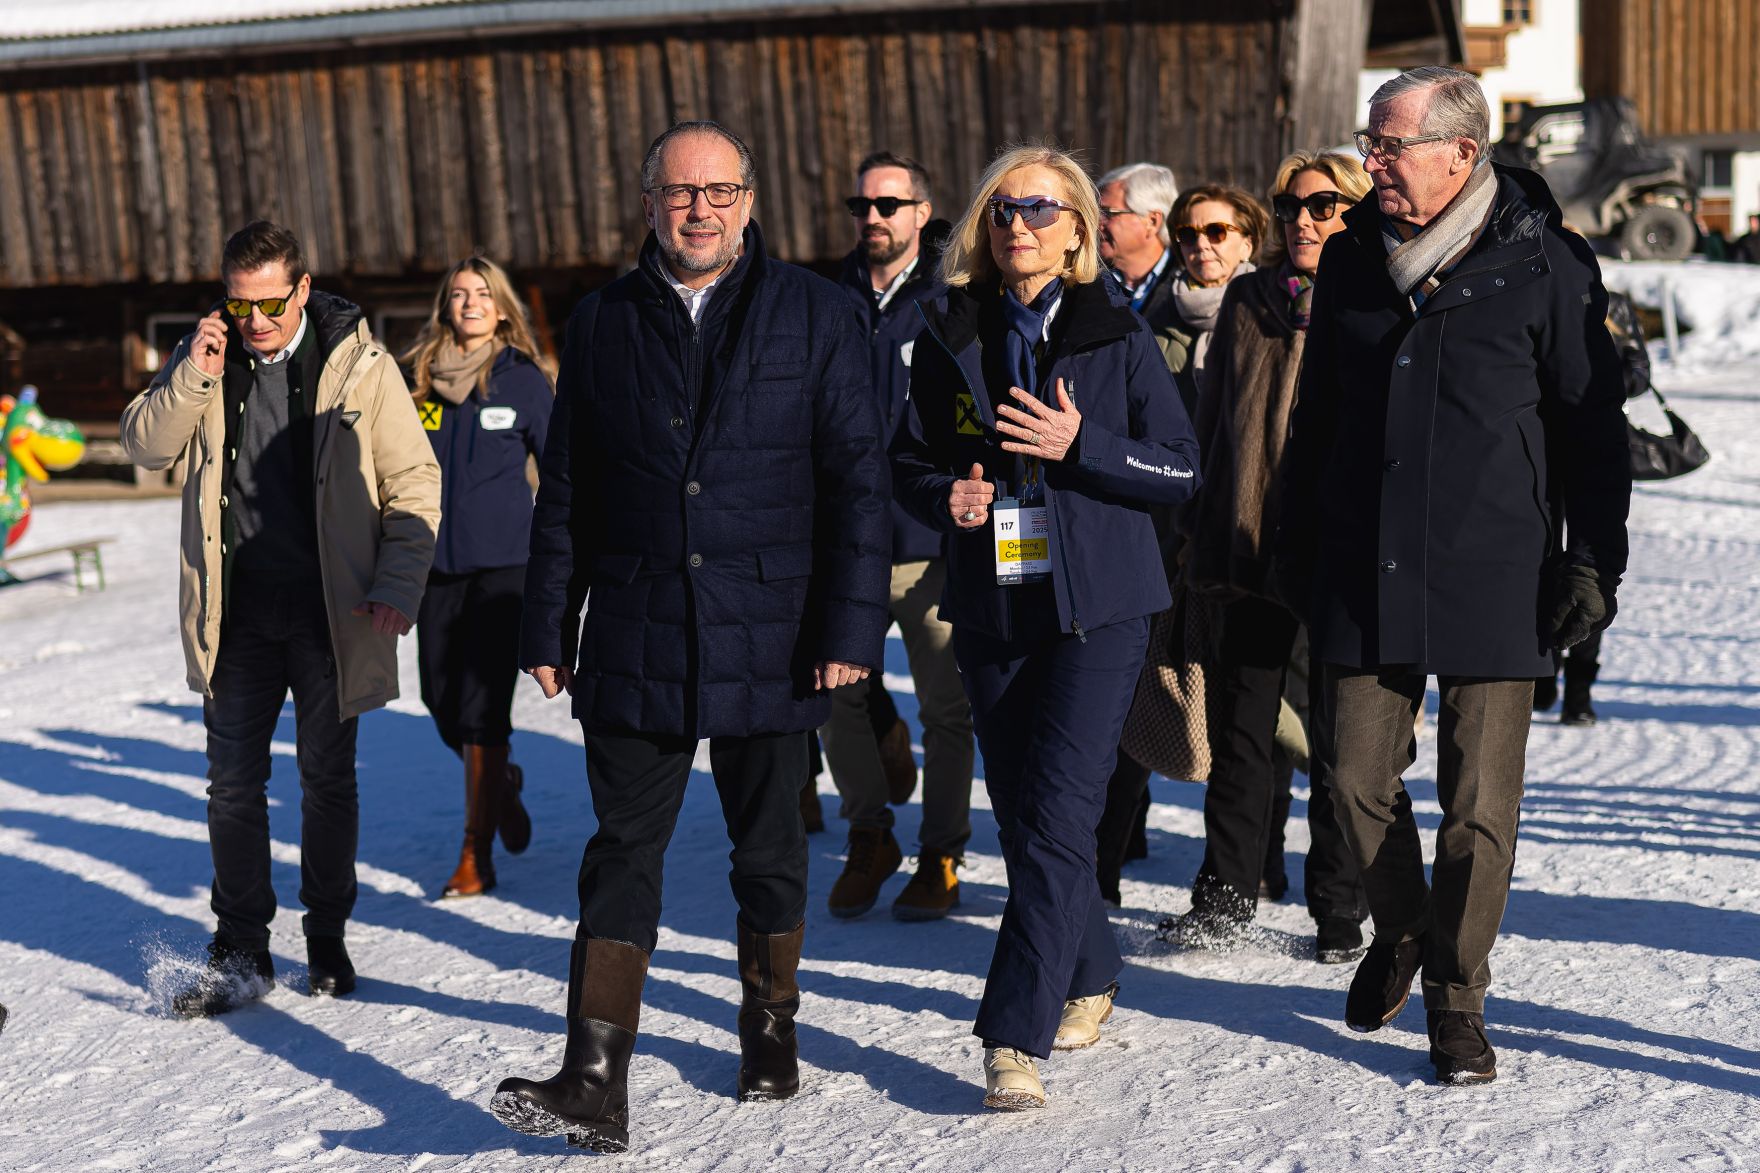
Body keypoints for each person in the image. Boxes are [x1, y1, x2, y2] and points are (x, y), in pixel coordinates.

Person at [491, 121, 891, 1154]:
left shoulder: (817, 313)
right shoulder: (601, 321)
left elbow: (858, 483)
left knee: (768, 847)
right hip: (638, 625)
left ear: (748, 202)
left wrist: (850, 625)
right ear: (649, 205)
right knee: (620, 848)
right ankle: (593, 1077)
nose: (698, 210)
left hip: (774, 624)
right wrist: (549, 620)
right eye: (679, 192)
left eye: (718, 191)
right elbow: (568, 487)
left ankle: (770, 1030)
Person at [1276, 66, 1631, 1085]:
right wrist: (1292, 543)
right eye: (1369, 142)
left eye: (1388, 144)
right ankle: (1403, 926)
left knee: (1477, 804)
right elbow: (1315, 416)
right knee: (1351, 779)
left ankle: (1456, 998)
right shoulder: (1352, 258)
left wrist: (1592, 560)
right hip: (1363, 558)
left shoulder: (1545, 261)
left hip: (1496, 568)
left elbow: (1591, 430)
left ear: (1460, 153)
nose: (1371, 161)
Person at [892, 143, 1200, 1110]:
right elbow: (907, 460)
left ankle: (1011, 1036)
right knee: (1028, 814)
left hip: (1100, 606)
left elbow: (1181, 467)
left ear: (1076, 233)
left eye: (1039, 210)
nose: (1017, 225)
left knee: (1061, 813)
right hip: (994, 600)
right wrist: (947, 495)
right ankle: (1094, 968)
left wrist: (1084, 446)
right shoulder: (947, 329)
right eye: (1001, 210)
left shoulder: (1119, 332)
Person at [119, 220, 440, 1016]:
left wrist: (399, 582)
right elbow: (145, 446)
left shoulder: (359, 364)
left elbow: (413, 480)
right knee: (232, 785)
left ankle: (326, 933)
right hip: (236, 614)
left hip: (334, 611)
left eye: (270, 303)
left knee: (326, 780)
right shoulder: (207, 357)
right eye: (239, 303)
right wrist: (193, 375)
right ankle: (241, 945)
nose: (255, 320)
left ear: (302, 288)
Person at [1162, 151, 1371, 965]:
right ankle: (1224, 896)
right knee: (1241, 737)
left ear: (1357, 209)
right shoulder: (1250, 299)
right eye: (1290, 207)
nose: (1302, 220)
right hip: (1245, 550)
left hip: (1338, 558)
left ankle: (1339, 907)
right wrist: (1197, 527)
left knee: (1337, 741)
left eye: (1322, 206)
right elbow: (1212, 427)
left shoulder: (1380, 295)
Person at [1095, 180, 1266, 904]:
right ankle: (1100, 869)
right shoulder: (1153, 318)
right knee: (1138, 700)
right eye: (1190, 233)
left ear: (1248, 238)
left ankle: (1254, 866)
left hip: (1249, 544)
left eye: (1217, 232)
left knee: (1253, 714)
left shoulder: (1274, 314)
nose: (1201, 246)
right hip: (1165, 539)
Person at [822, 150, 976, 921]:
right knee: (833, 696)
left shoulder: (953, 297)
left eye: (888, 205)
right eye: (862, 206)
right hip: (843, 541)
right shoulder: (825, 298)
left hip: (927, 539)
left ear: (921, 211)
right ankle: (869, 833)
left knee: (946, 710)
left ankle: (941, 851)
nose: (873, 218)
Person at [401, 256, 554, 897]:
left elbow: (561, 470)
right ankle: (500, 784)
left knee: (481, 708)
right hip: (434, 564)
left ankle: (475, 853)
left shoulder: (521, 379)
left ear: (501, 308)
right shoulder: (418, 380)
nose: (470, 303)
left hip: (505, 567)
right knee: (440, 704)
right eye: (460, 293)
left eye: (483, 294)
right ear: (446, 305)